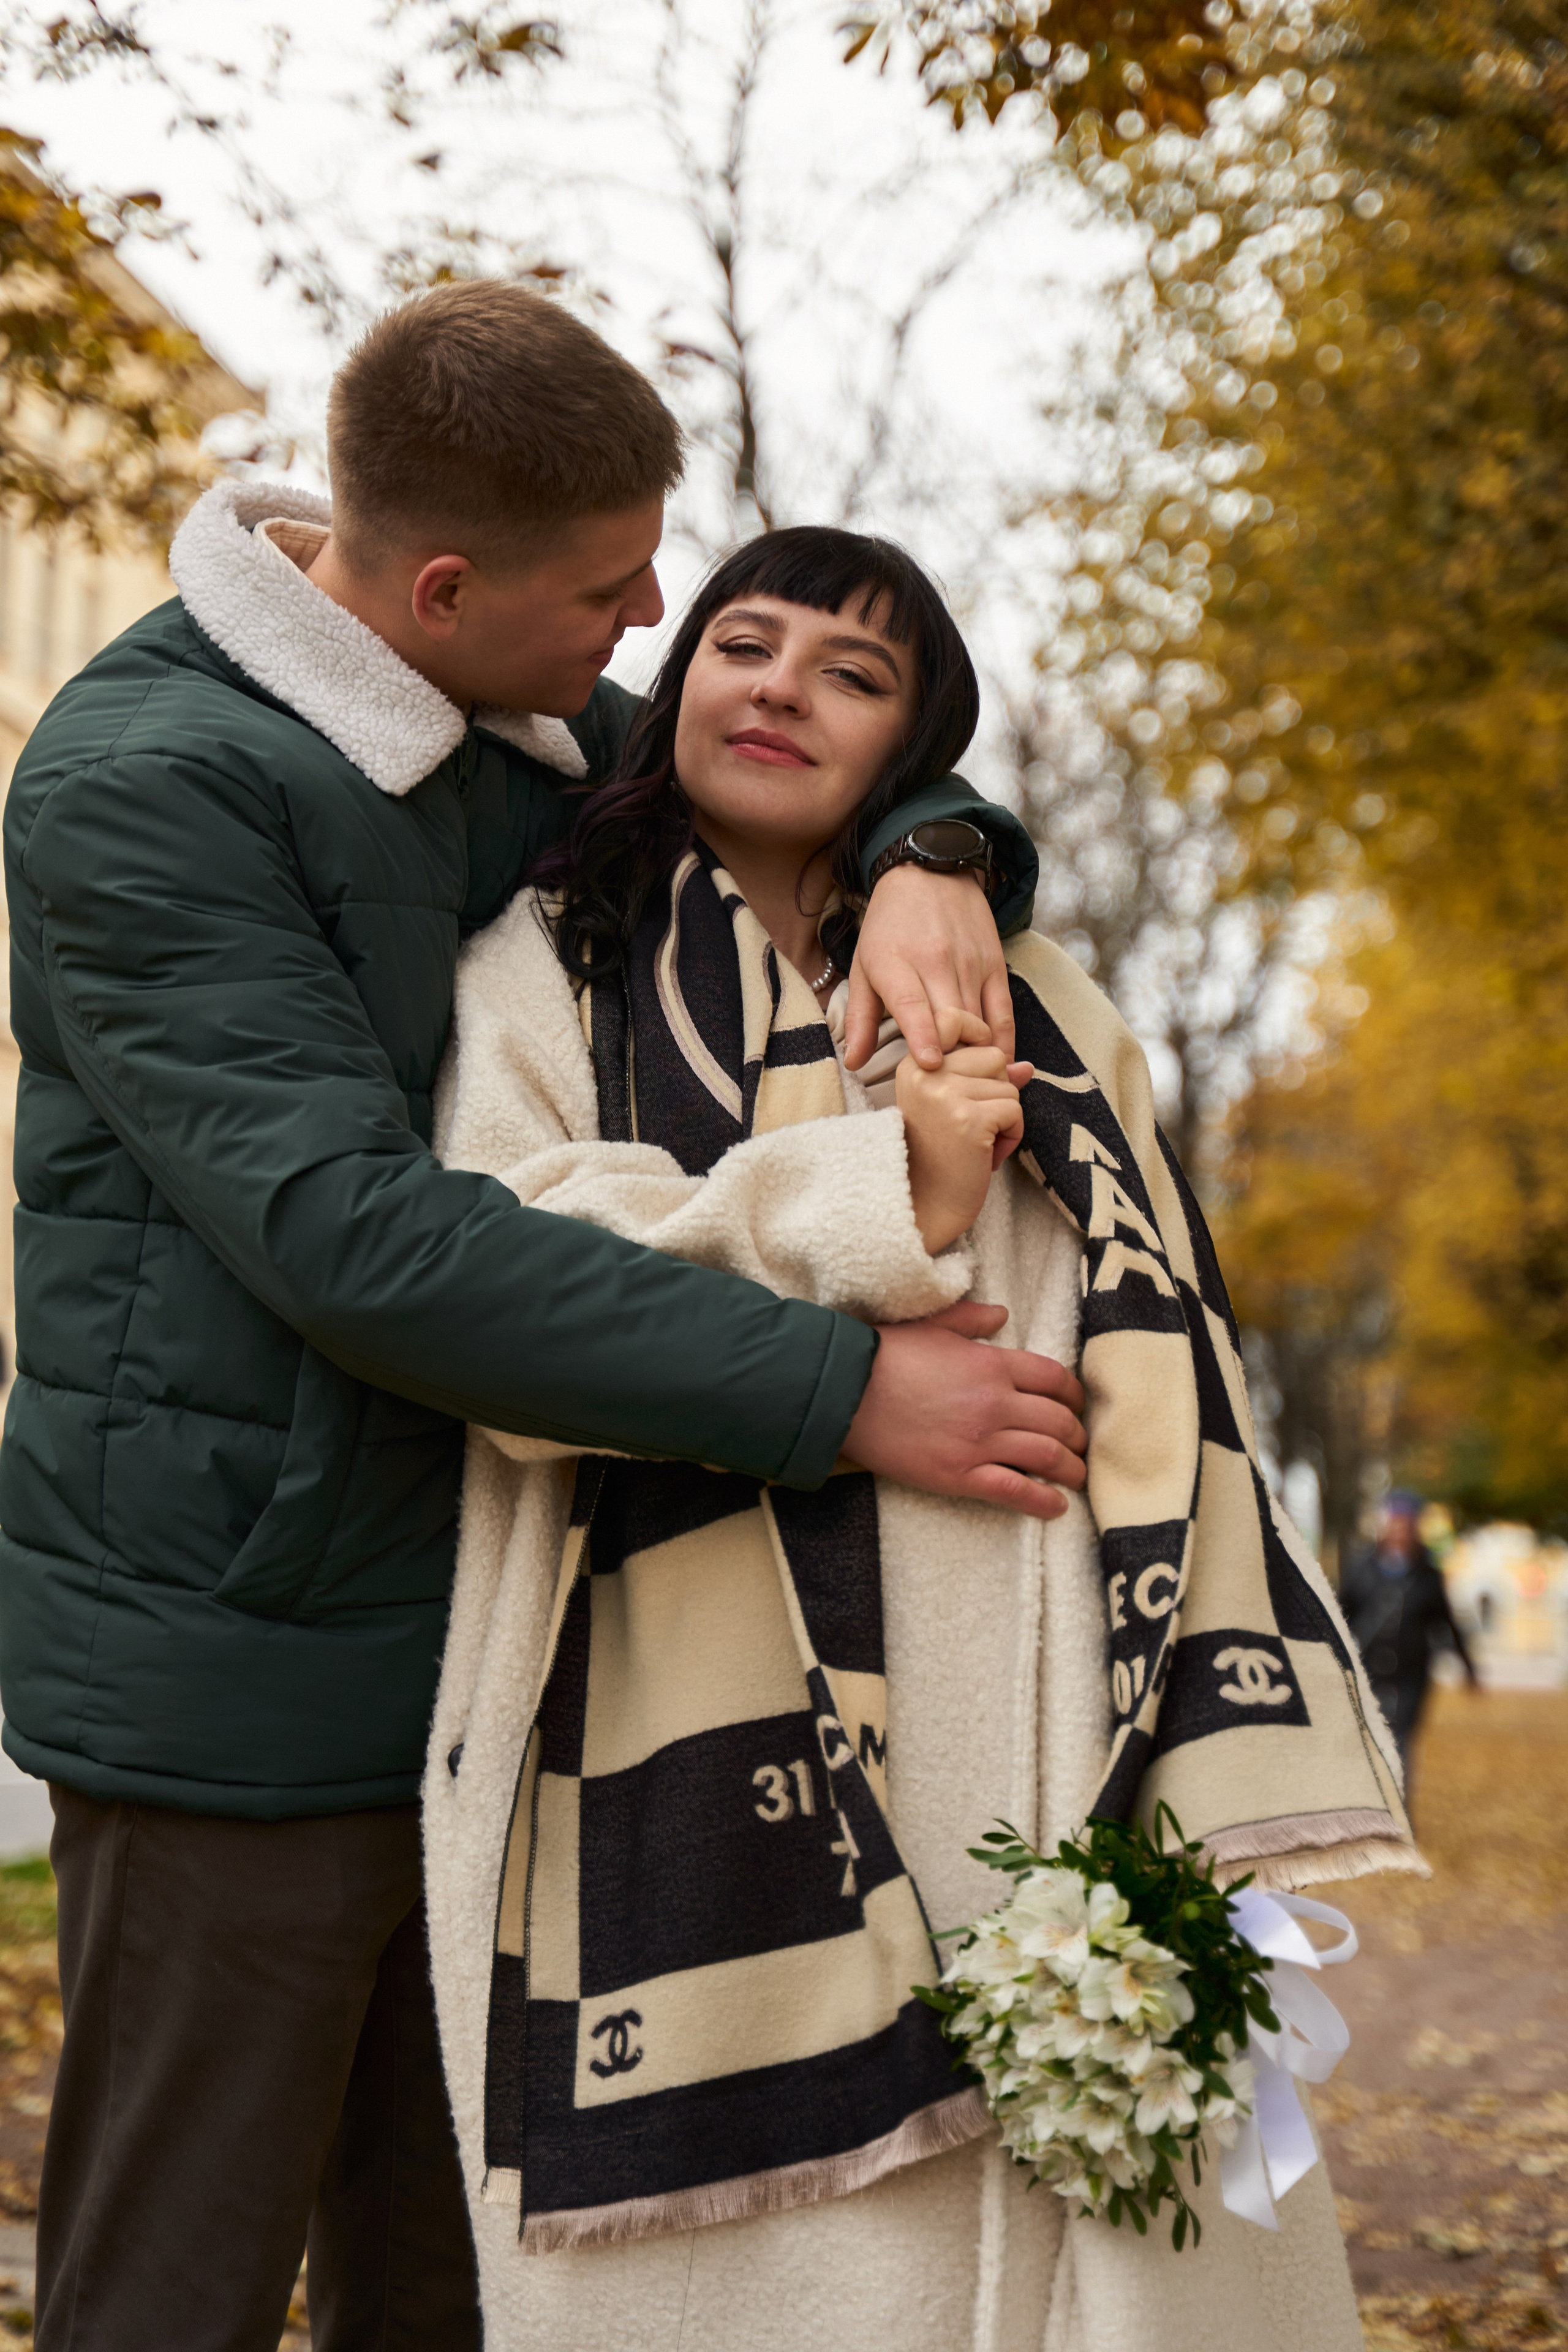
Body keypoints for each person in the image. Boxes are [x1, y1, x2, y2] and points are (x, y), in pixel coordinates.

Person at [1, 284, 1088, 2352]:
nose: (652, 618)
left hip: (507, 1659)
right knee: (179, 2285)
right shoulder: (148, 788)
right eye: (608, 589)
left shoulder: (528, 721)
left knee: (476, 2291)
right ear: (434, 587)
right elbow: (357, 1239)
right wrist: (839, 1386)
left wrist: (939, 851)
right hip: (246, 1662)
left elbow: (784, 766)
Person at [427, 524, 1420, 2352]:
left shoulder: (1043, 991)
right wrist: (883, 1183)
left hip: (1041, 1707)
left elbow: (1150, 1351)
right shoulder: (542, 958)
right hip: (664, 1725)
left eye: (854, 670)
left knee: (1074, 2201)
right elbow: (507, 1280)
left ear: (914, 752)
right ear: (678, 685)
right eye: (743, 638)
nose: (784, 682)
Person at [1340, 1491, 1480, 1796]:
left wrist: (1468, 1667)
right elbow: (1339, 1615)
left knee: (1401, 1742)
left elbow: (1447, 1622)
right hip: (1367, 1671)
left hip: (1411, 1674)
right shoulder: (1360, 1568)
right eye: (1394, 1523)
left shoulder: (1428, 1575)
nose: (1399, 1531)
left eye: (1406, 1525)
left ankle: (1400, 1818)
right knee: (1365, 1742)